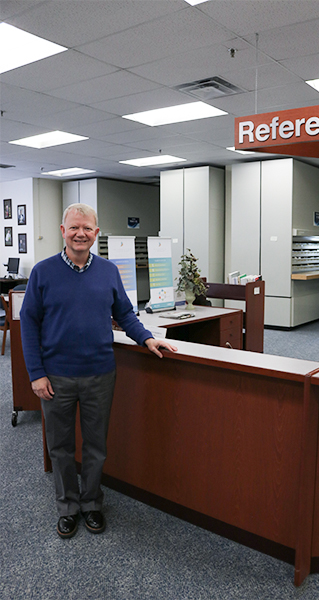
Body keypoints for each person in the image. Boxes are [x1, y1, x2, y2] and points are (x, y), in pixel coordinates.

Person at [20, 203, 177, 539]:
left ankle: (91, 504)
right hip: (56, 377)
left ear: (97, 232)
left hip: (100, 375)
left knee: (95, 446)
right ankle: (67, 507)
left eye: (87, 228)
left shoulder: (108, 271)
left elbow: (125, 313)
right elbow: (28, 325)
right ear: (63, 231)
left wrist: (147, 339)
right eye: (74, 227)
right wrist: (36, 373)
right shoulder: (43, 272)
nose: (81, 233)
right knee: (59, 447)